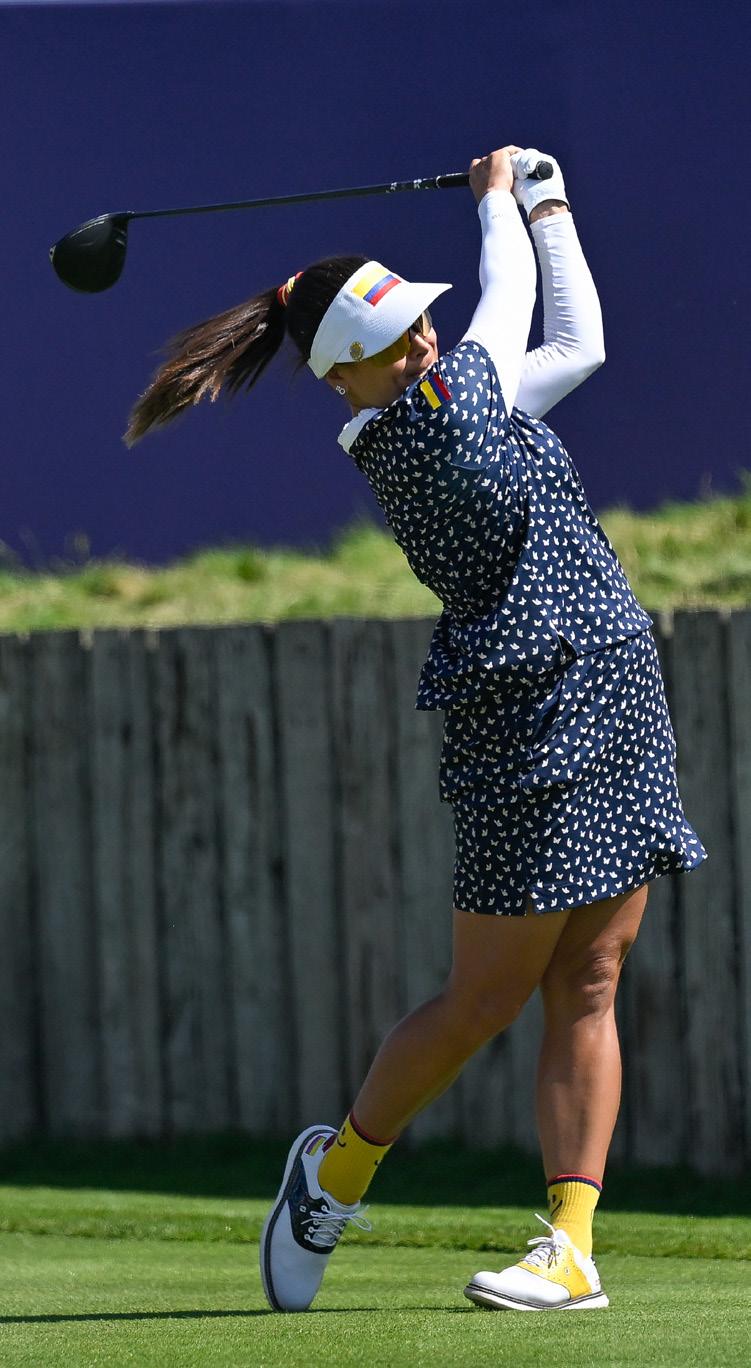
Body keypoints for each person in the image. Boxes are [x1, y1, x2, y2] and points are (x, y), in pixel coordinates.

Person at [126, 145, 708, 1314]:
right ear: (345, 376)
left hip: (615, 693)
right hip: (521, 727)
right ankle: (333, 1175)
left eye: (421, 326)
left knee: (592, 976)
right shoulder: (424, 437)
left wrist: (549, 204)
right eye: (397, 342)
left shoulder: (459, 400)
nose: (424, 344)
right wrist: (499, 202)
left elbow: (577, 344)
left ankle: (571, 1248)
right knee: (483, 1000)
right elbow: (508, 299)